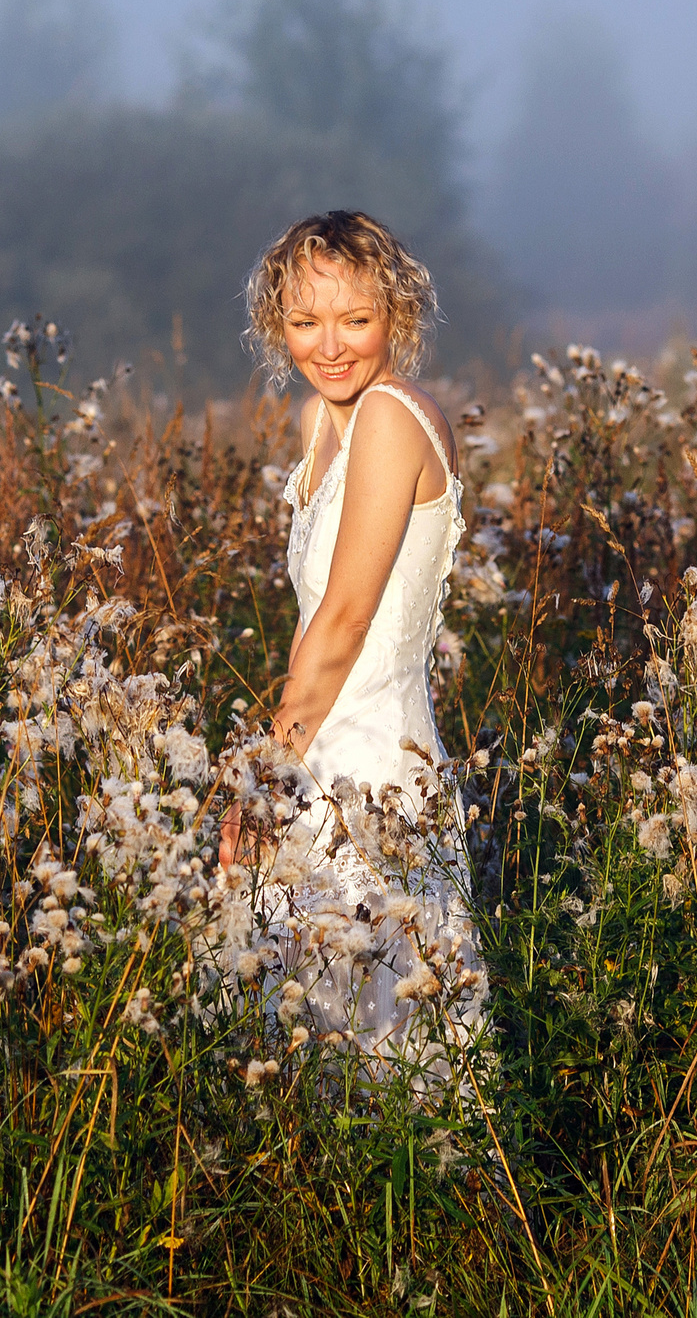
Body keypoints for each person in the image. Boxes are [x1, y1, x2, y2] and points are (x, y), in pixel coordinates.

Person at [222, 209, 485, 1073]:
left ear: (396, 317)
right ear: (278, 324)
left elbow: (342, 621)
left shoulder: (390, 419)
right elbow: (310, 624)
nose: (328, 346)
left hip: (375, 778)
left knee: (390, 1049)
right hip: (316, 756)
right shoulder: (321, 424)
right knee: (305, 1036)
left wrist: (262, 780)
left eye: (355, 320)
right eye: (304, 322)